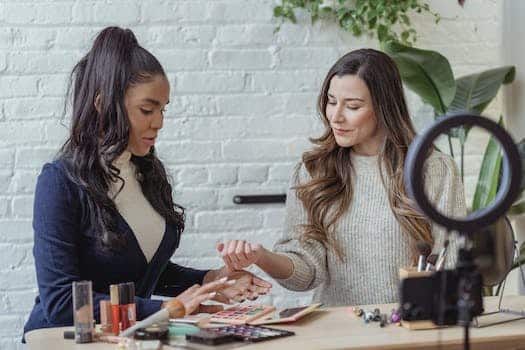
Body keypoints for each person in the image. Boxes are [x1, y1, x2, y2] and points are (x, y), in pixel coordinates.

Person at [23, 27, 271, 338]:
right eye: (147, 109)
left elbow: (141, 269)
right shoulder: (61, 181)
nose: (159, 122)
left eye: (162, 109)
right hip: (65, 342)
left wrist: (212, 280)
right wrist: (170, 310)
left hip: (126, 339)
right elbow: (61, 302)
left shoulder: (147, 174)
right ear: (102, 104)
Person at [217, 49, 466, 307]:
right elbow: (307, 273)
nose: (335, 116)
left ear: (383, 108)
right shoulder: (313, 170)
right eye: (332, 101)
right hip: (338, 332)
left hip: (410, 331)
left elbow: (451, 263)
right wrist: (261, 257)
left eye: (353, 106)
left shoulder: (433, 169)